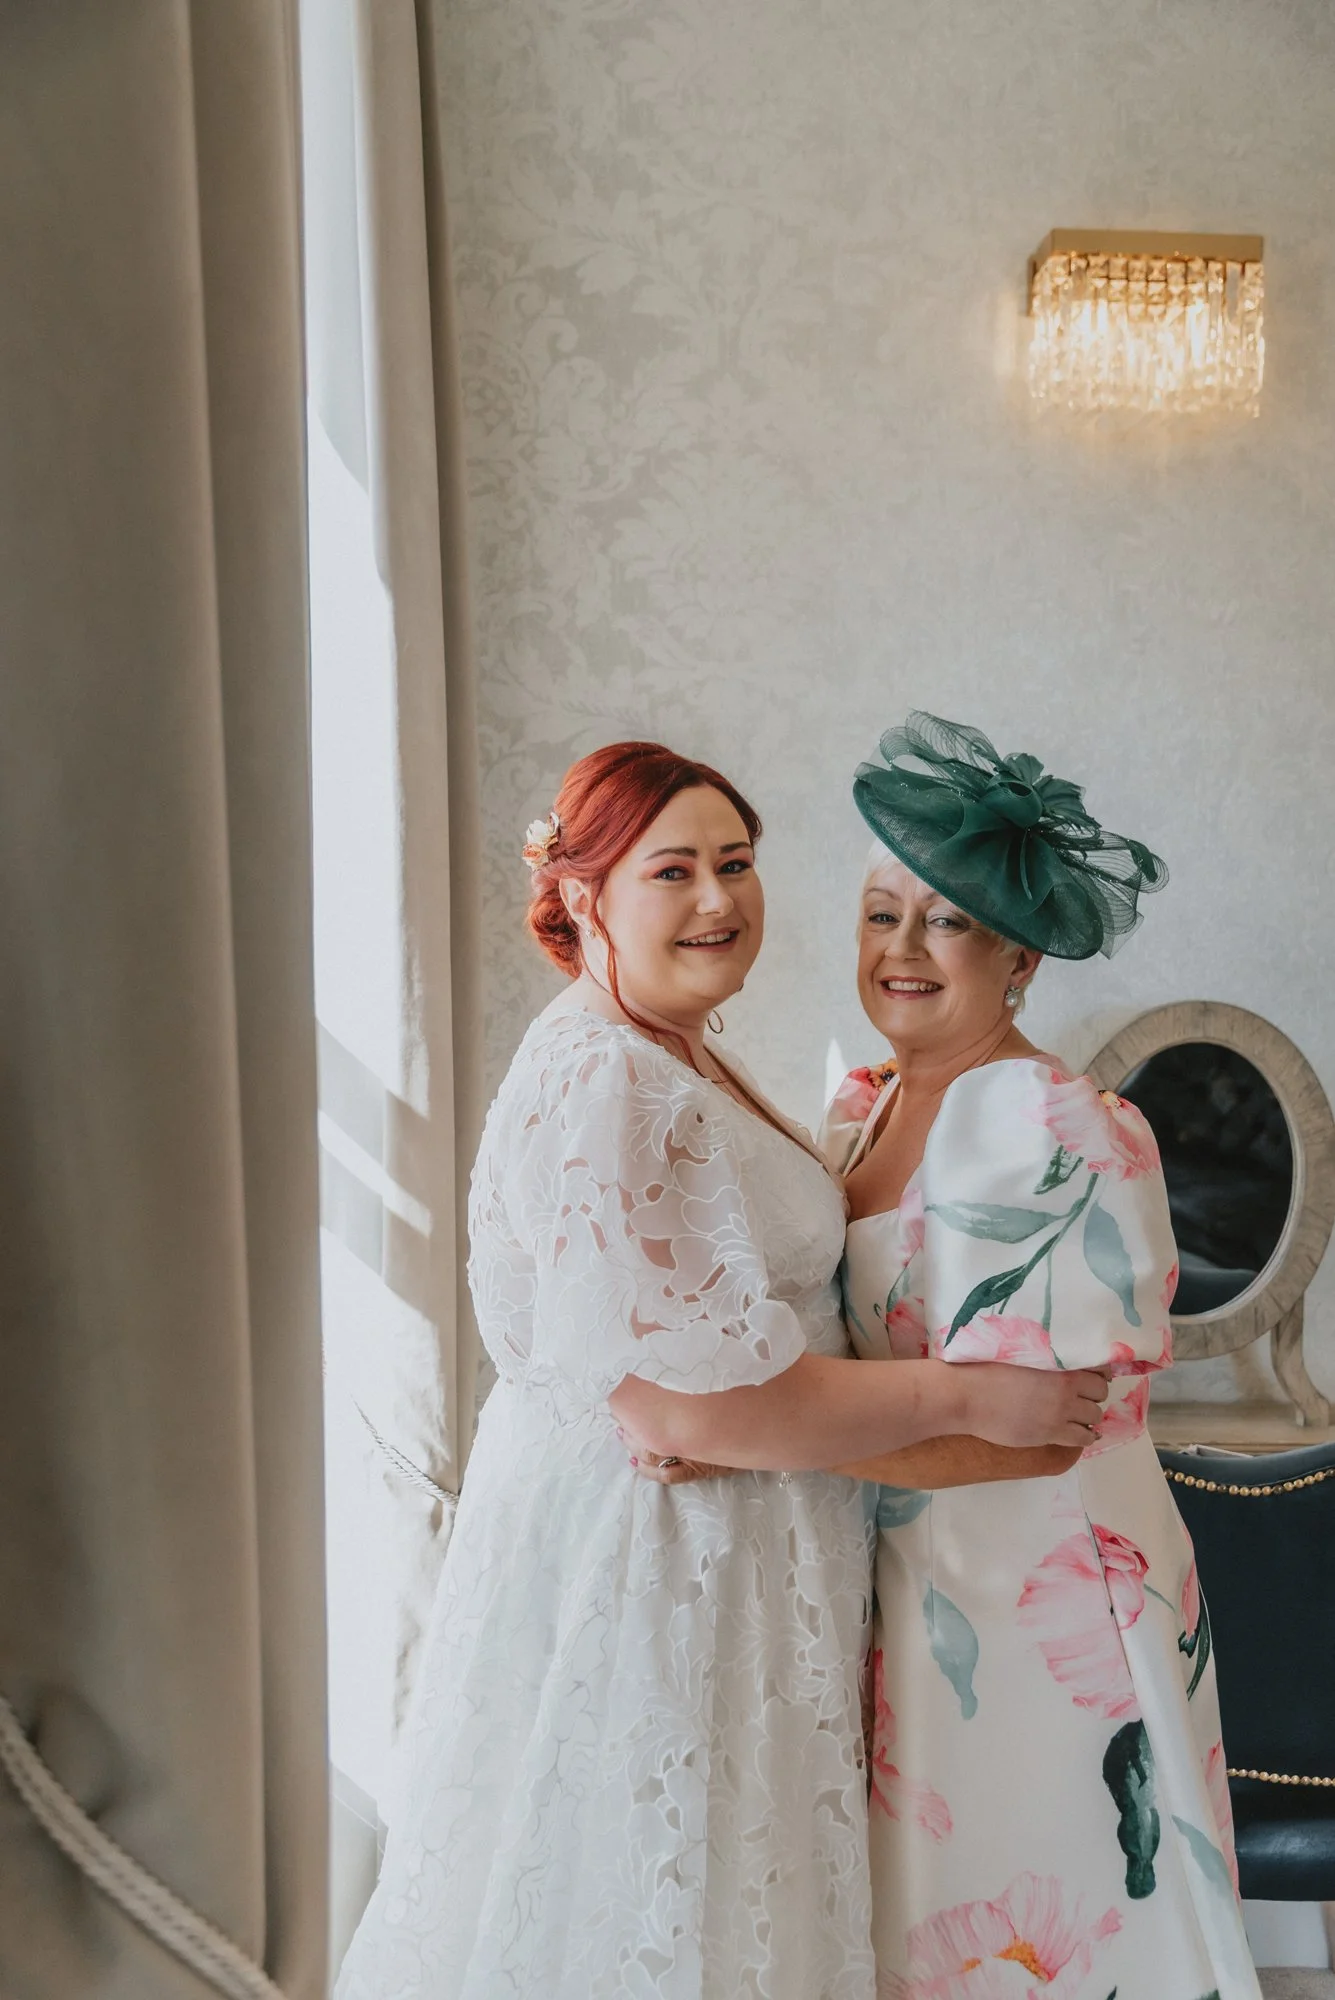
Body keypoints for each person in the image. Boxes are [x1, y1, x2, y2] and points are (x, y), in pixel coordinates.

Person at [333, 739, 1107, 2000]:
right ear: (586, 897)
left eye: (736, 864)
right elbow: (702, 1401)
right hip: (662, 1566)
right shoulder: (608, 1079)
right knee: (663, 1904)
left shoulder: (680, 1048)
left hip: (736, 1553)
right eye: (673, 870)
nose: (717, 900)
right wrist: (977, 1393)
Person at [825, 713, 1261, 2000]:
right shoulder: (862, 1107)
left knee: (1043, 1929)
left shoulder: (1053, 1121)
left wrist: (772, 1449)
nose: (902, 948)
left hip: (1040, 1593)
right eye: (878, 913)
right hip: (920, 1578)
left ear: (1016, 951)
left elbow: (1040, 1424)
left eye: (945, 918)